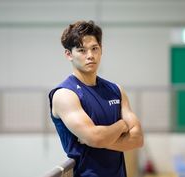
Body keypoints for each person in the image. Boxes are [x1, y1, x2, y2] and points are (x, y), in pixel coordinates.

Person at [49, 20, 143, 177]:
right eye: (82, 50)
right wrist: (121, 125)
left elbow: (138, 139)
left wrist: (99, 139)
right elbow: (95, 138)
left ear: (101, 50)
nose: (90, 56)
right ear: (69, 54)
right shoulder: (65, 94)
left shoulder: (116, 90)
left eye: (94, 48)